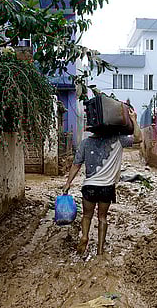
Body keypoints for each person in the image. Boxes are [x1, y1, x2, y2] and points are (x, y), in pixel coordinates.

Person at [63, 108, 142, 255]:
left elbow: (76, 165)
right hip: (106, 188)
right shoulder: (119, 139)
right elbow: (138, 138)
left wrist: (68, 183)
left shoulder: (85, 143)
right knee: (102, 217)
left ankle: (85, 237)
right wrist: (134, 120)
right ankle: (100, 250)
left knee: (87, 215)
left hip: (89, 187)